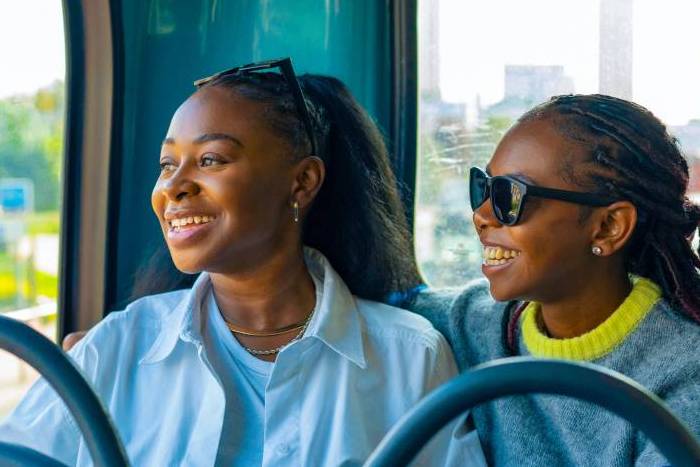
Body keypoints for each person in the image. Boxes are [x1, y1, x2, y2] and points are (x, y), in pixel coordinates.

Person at [0, 59, 460, 466]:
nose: (174, 186)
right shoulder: (115, 348)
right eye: (167, 163)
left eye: (211, 159)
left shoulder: (410, 358)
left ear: (302, 182)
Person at [408, 94, 700, 466]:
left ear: (608, 227)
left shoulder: (686, 377)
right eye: (482, 187)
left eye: (509, 197)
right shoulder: (470, 322)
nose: (481, 215)